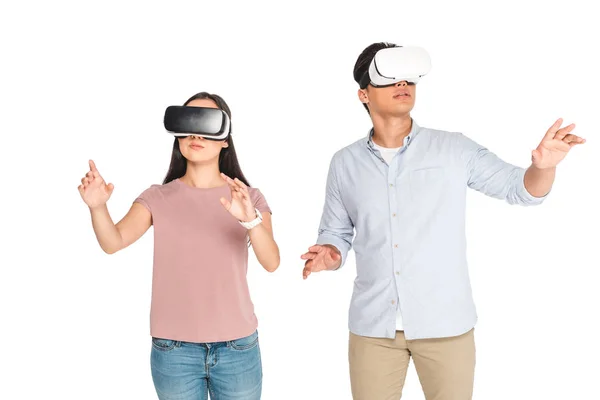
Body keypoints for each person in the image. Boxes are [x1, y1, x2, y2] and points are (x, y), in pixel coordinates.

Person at [300, 42, 585, 400]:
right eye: (388, 79)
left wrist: (542, 169)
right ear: (363, 94)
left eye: (408, 78)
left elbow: (520, 189)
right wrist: (331, 253)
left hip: (446, 325)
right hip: (374, 329)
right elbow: (336, 232)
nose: (401, 85)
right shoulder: (344, 163)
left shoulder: (454, 149)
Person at [78, 92, 279, 400]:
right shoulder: (158, 197)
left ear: (225, 138)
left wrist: (250, 219)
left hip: (237, 347)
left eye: (207, 123)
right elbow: (113, 241)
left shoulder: (247, 197)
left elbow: (271, 261)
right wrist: (97, 207)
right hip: (174, 351)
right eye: (188, 123)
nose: (196, 133)